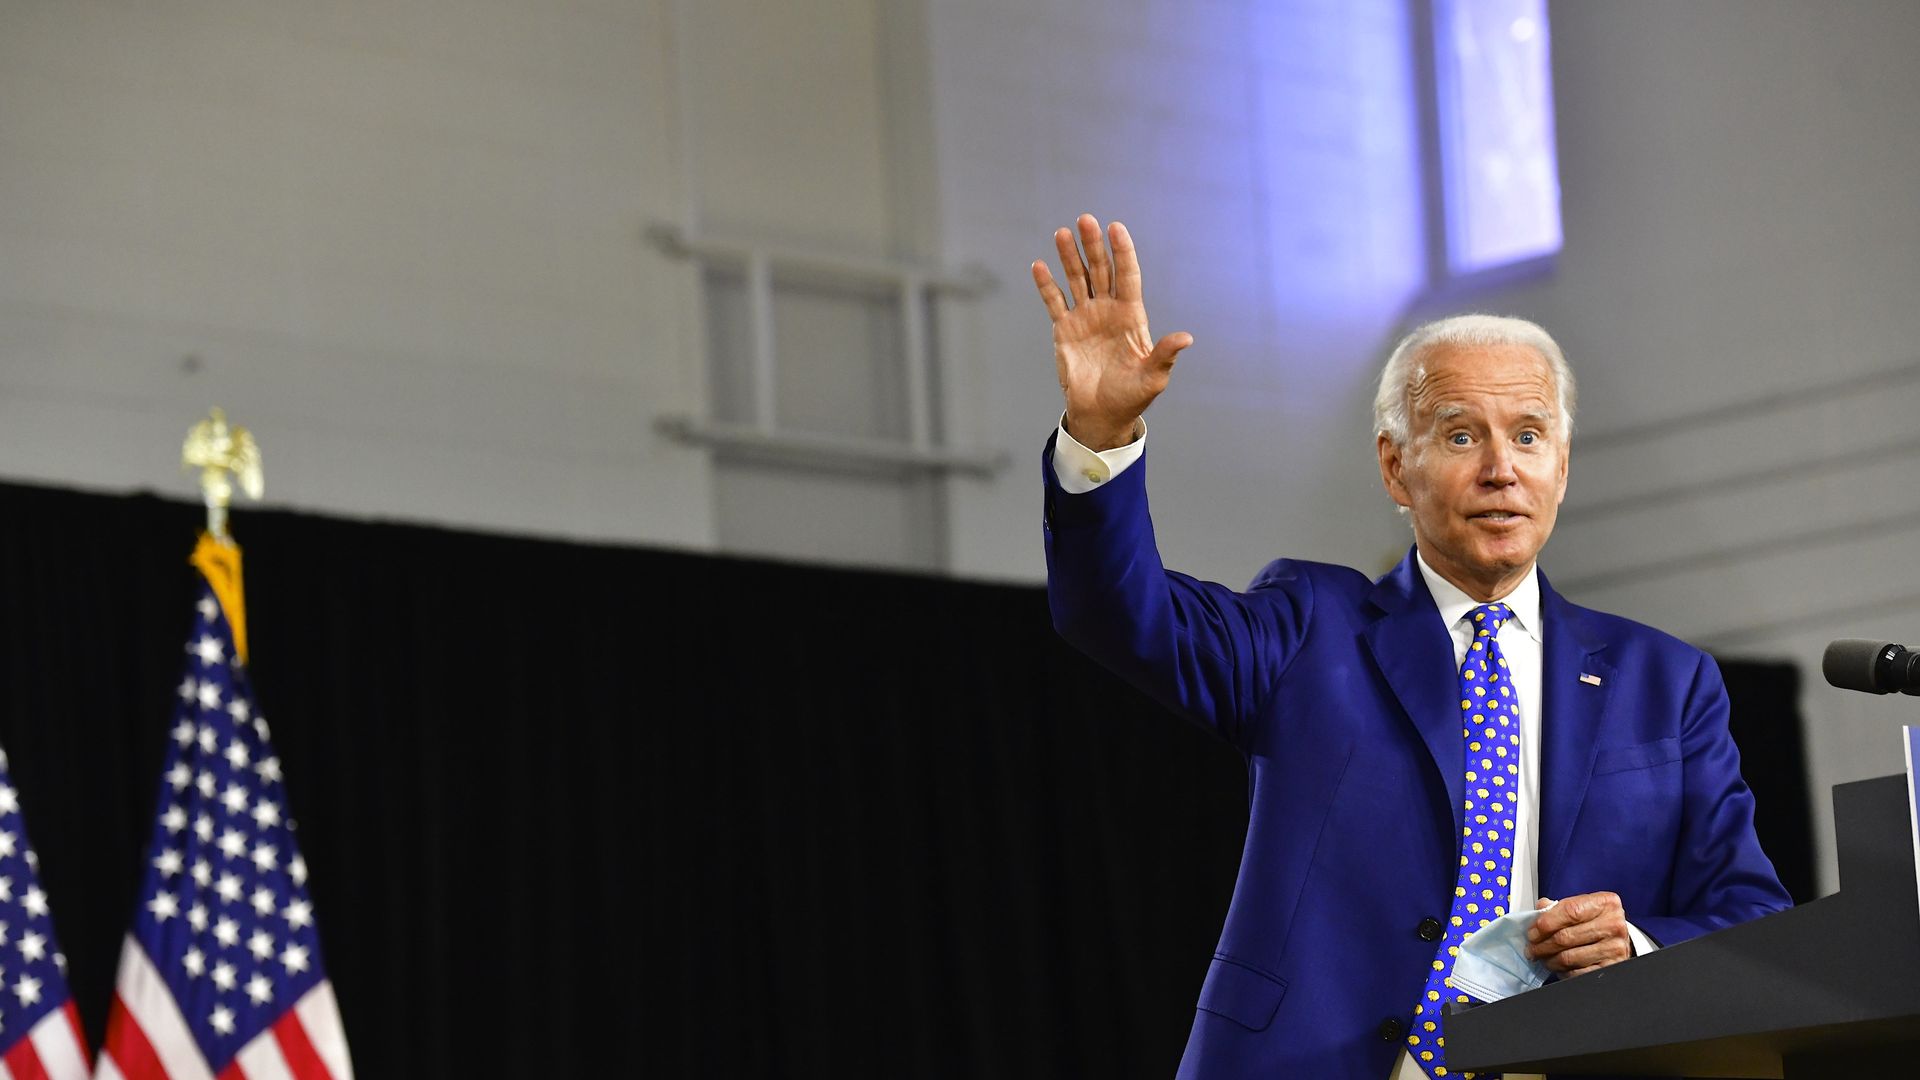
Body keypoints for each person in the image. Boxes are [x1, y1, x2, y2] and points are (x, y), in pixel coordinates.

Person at [1032, 214, 1791, 1080]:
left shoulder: (1667, 683)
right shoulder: (1312, 626)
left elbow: (1752, 912)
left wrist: (1638, 942)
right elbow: (1118, 616)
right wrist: (1099, 438)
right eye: (1463, 435)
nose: (1502, 467)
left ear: (1564, 466)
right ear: (1396, 468)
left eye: (1530, 436)